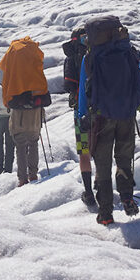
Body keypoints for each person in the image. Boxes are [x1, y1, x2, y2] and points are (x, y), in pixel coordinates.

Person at [76, 17, 140, 225]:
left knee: (103, 163)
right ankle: (126, 197)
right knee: (124, 157)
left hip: (100, 118)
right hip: (126, 113)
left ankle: (105, 212)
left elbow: (83, 90)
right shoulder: (129, 52)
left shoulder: (90, 58)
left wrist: (83, 116)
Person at [0, 36, 51, 187]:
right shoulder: (34, 59)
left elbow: (5, 82)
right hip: (36, 113)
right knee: (33, 142)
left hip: (19, 113)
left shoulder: (13, 57)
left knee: (20, 145)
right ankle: (33, 174)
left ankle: (22, 179)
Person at [63, 27, 96, 207]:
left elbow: (67, 85)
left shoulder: (71, 58)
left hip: (80, 112)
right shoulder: (97, 54)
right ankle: (102, 186)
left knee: (84, 151)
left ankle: (89, 192)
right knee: (99, 149)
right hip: (100, 110)